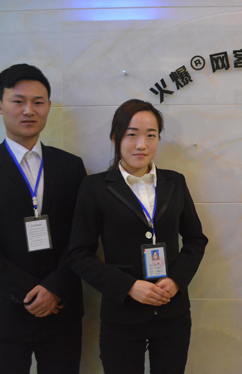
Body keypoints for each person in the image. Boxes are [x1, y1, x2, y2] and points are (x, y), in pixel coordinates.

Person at [68, 99, 208, 374]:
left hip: (172, 312)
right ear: (115, 137)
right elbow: (79, 254)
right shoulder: (95, 187)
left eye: (151, 135)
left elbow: (196, 239)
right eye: (132, 135)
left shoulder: (175, 182)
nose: (141, 145)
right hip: (122, 314)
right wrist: (129, 286)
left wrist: (176, 280)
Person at [0, 64, 85, 373]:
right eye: (18, 101)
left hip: (62, 309)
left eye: (38, 102)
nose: (29, 110)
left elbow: (82, 234)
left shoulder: (70, 166)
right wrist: (30, 294)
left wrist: (54, 288)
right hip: (3, 312)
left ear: (48, 106)